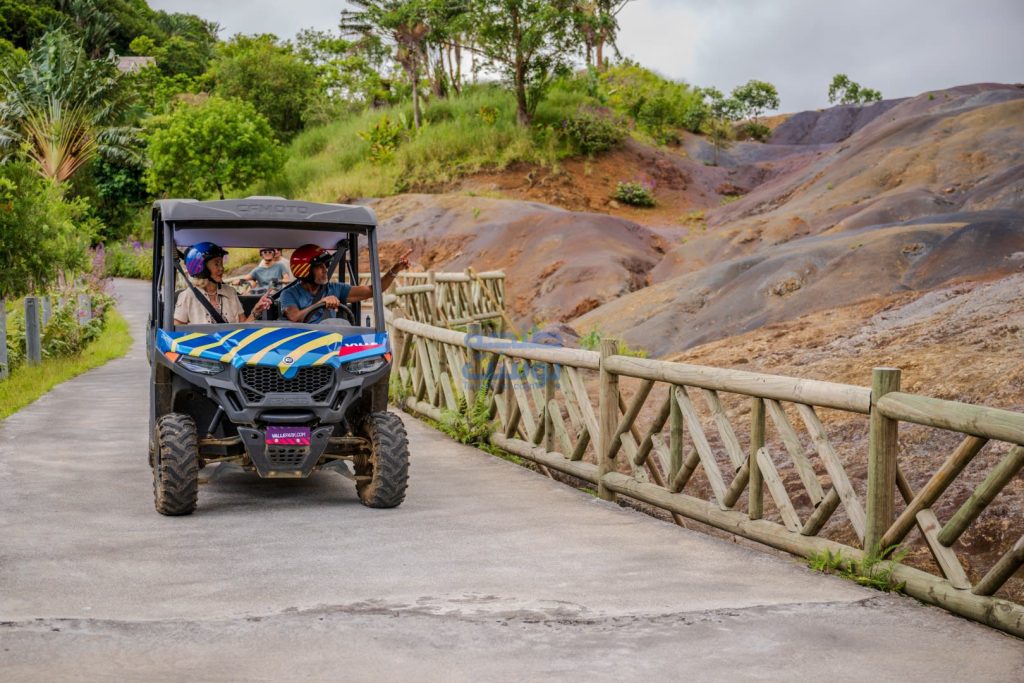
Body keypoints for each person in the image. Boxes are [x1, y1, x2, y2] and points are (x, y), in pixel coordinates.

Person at [282, 244, 411, 324]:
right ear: (305, 271)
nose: (325, 270)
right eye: (319, 266)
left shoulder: (336, 288)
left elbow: (373, 290)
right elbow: (295, 317)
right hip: (303, 344)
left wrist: (395, 269)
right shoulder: (289, 293)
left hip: (331, 342)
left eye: (325, 265)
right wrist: (321, 303)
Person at [174, 242, 272, 325]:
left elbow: (243, 328)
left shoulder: (231, 292)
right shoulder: (187, 296)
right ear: (201, 268)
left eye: (221, 263)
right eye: (217, 264)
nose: (221, 268)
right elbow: (177, 334)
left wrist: (256, 311)